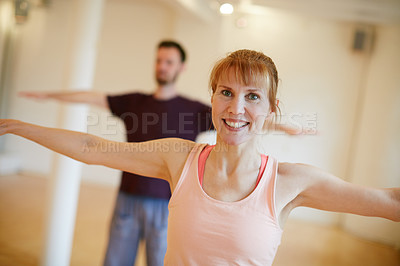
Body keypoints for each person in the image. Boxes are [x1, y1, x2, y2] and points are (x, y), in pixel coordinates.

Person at [2, 49, 399, 266]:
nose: (236, 108)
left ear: (272, 108)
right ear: (211, 98)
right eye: (225, 92)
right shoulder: (179, 157)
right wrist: (20, 126)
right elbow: (93, 149)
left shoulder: (292, 181)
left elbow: (388, 202)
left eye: (252, 96)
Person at [19, 40, 214, 266]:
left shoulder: (195, 110)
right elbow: (93, 97)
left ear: (181, 67)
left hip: (169, 205)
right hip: (128, 199)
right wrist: (50, 96)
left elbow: (233, 120)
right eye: (159, 60)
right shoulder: (135, 102)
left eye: (169, 62)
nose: (162, 66)